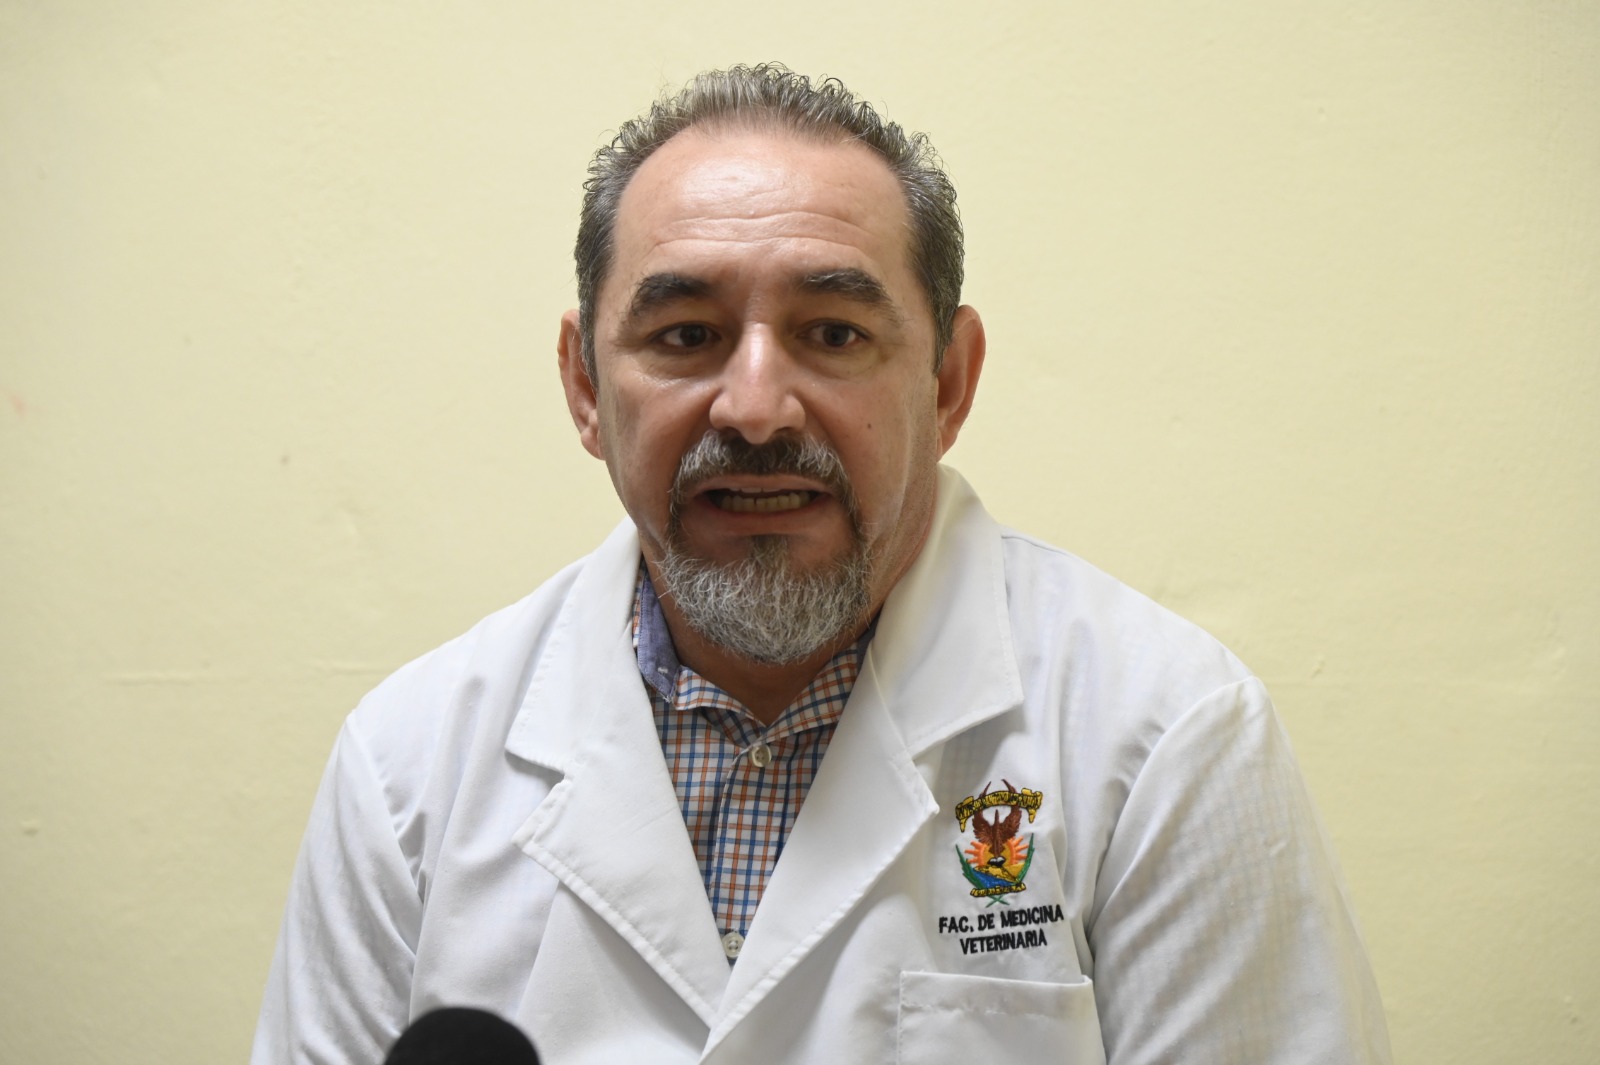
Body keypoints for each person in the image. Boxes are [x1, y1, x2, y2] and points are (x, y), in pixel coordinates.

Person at [253, 64, 1391, 1064]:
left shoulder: (1164, 738)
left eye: (833, 333)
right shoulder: (408, 768)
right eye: (686, 335)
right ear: (586, 387)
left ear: (948, 383)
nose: (754, 407)